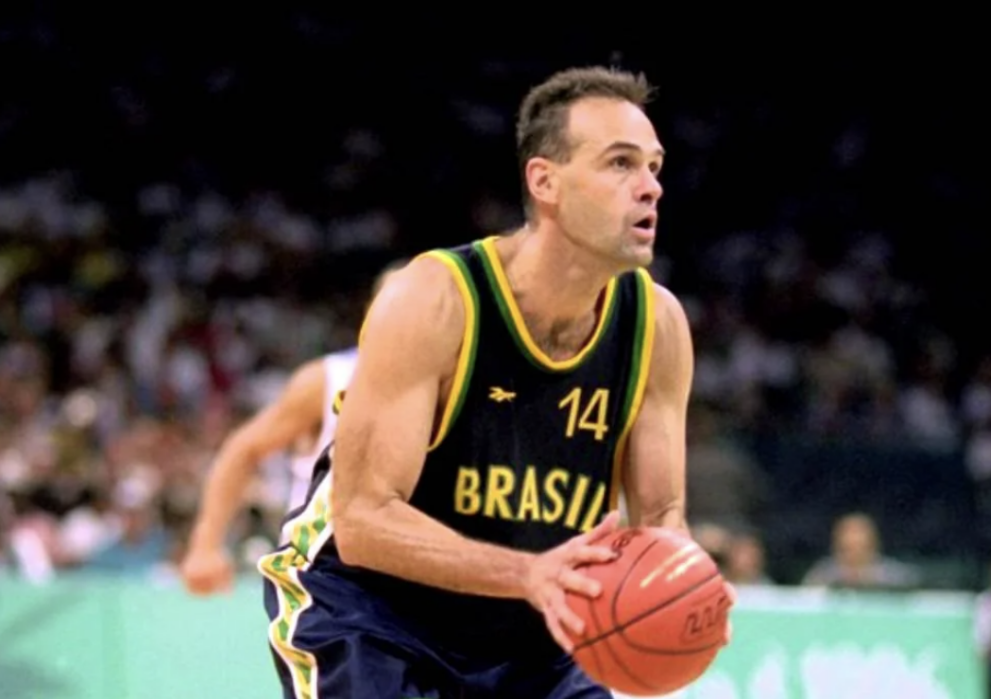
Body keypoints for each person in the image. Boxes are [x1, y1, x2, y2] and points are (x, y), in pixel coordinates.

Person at [259, 66, 732, 699]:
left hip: (528, 633)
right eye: (621, 164)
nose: (650, 188)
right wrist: (530, 573)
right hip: (368, 613)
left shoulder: (658, 326)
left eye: (654, 166)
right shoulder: (436, 300)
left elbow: (660, 514)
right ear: (546, 182)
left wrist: (682, 585)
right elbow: (366, 522)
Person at [181, 262, 405, 596]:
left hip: (408, 582)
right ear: (372, 311)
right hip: (325, 580)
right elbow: (244, 448)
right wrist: (205, 545)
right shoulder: (328, 379)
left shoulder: (466, 389)